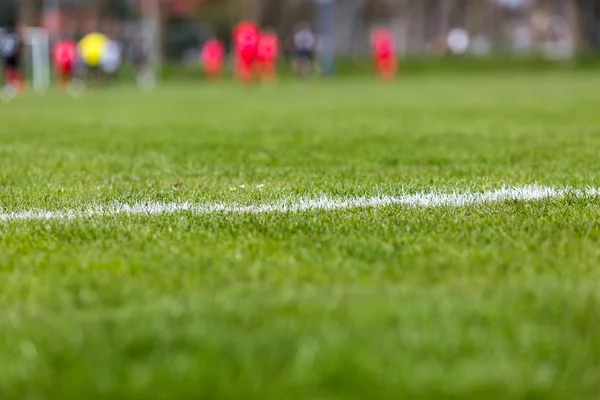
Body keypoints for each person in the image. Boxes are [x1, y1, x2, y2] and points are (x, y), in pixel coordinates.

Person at [1, 19, 24, 99]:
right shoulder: (13, 37)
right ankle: (12, 85)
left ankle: (13, 85)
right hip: (12, 56)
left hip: (9, 56)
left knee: (11, 71)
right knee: (11, 71)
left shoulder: (7, 37)